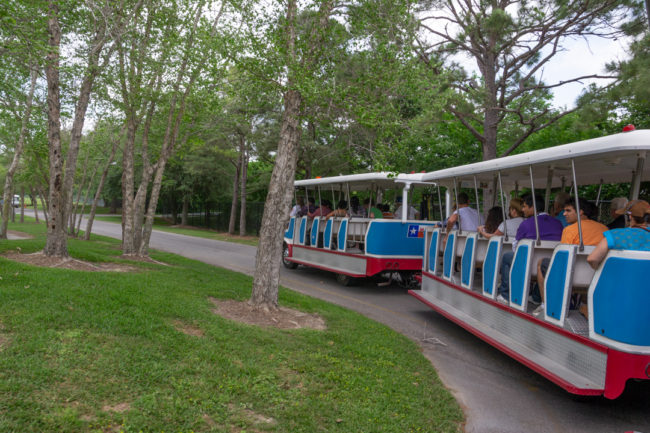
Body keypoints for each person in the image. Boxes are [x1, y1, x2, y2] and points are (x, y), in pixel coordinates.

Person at [532, 197, 608, 316]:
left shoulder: (570, 230)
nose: (564, 214)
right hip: (596, 276)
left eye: (568, 211)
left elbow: (563, 258)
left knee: (542, 262)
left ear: (580, 212)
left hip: (572, 276)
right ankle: (583, 303)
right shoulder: (604, 229)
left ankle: (545, 303)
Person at [496, 194, 563, 303]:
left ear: (532, 207)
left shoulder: (526, 224)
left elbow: (516, 247)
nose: (522, 210)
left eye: (524, 206)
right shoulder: (558, 223)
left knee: (507, 257)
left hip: (528, 264)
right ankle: (536, 297)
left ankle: (505, 294)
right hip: (549, 265)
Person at [587, 199, 650, 269]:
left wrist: (599, 269)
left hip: (617, 278)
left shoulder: (614, 234)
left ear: (630, 216)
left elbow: (592, 259)